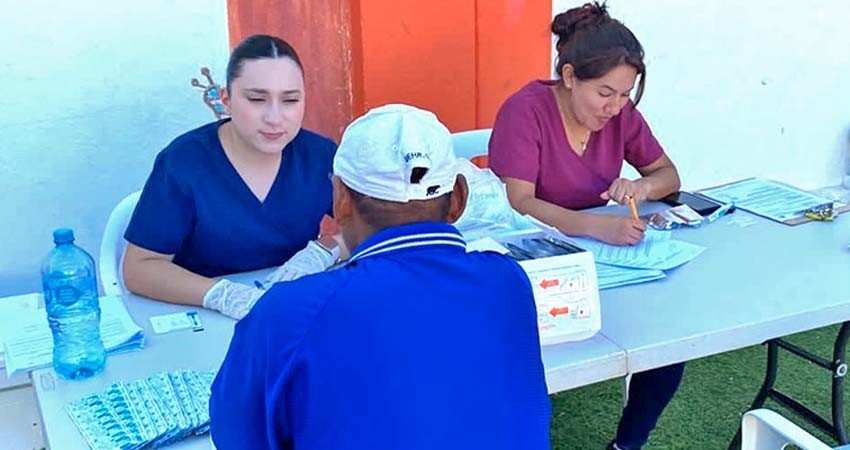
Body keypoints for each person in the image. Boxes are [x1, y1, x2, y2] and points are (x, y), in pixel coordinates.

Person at [209, 104, 551, 450]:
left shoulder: (289, 312)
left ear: (340, 199)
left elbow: (238, 435)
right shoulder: (508, 280)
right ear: (459, 198)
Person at [488, 3, 682, 450]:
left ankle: (627, 444)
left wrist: (640, 185)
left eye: (625, 94)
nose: (615, 107)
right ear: (570, 76)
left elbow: (670, 177)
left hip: (607, 264)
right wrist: (592, 226)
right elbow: (519, 202)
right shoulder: (525, 110)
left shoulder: (621, 116)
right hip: (533, 261)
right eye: (605, 93)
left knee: (670, 339)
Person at [123, 35, 342, 319]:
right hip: (204, 317)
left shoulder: (319, 156)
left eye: (290, 100)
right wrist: (222, 295)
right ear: (226, 100)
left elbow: (375, 226)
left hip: (289, 313)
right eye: (256, 99)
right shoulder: (184, 162)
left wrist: (325, 251)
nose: (275, 118)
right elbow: (139, 267)